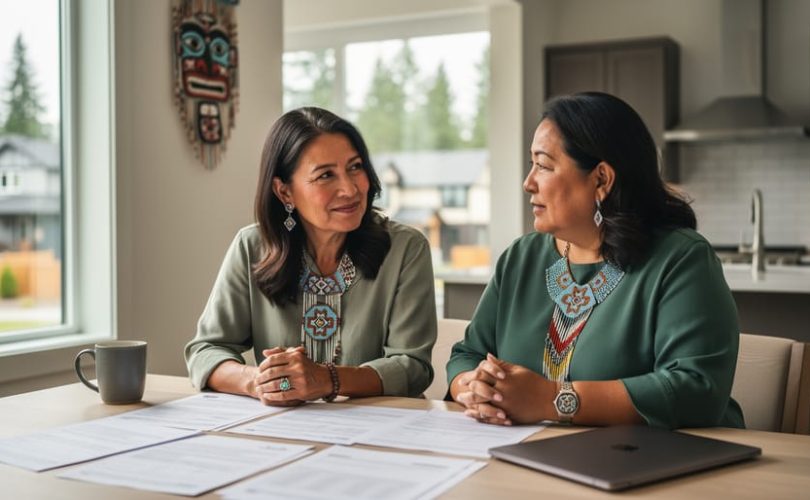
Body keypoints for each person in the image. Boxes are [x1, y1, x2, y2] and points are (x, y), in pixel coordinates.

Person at [447, 92, 744, 429]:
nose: (528, 183)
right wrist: (472, 388)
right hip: (534, 461)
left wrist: (551, 399)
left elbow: (697, 389)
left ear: (601, 179)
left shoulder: (681, 260)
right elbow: (467, 355)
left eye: (543, 165)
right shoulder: (520, 258)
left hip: (667, 466)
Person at [185, 107, 437, 404]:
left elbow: (413, 367)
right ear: (284, 192)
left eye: (355, 167)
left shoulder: (406, 248)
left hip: (383, 433)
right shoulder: (251, 247)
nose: (350, 188)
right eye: (326, 175)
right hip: (280, 432)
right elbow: (205, 350)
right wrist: (257, 382)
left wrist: (327, 380)